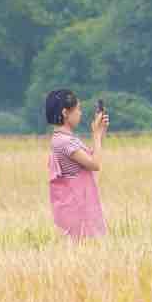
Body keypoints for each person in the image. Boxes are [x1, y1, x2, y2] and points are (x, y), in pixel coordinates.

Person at [45, 89, 108, 240]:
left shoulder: (64, 139)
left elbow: (90, 158)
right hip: (78, 209)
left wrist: (100, 132)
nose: (80, 113)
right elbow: (95, 164)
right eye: (78, 109)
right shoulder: (65, 142)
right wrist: (97, 135)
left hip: (78, 206)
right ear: (65, 113)